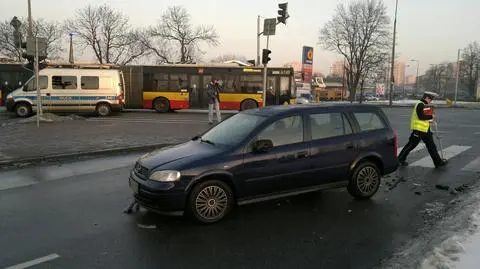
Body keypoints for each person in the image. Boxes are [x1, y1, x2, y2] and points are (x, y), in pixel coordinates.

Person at [397, 91, 448, 168]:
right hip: (418, 130)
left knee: (432, 146)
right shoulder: (420, 104)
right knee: (411, 145)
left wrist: (431, 119)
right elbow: (421, 117)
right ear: (426, 98)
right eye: (430, 99)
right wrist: (431, 117)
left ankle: (438, 162)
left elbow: (426, 117)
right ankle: (400, 159)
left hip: (425, 130)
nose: (431, 100)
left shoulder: (424, 105)